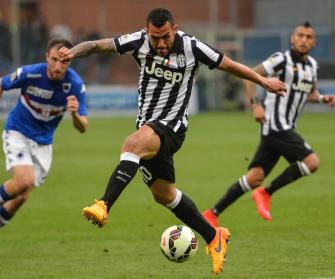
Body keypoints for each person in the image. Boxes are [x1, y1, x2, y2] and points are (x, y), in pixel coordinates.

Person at [58, 8, 286, 274]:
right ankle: (214, 236)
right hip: (148, 129)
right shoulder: (138, 41)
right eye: (155, 38)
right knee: (164, 195)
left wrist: (263, 81)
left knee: (131, 145)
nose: (161, 43)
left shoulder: (192, 46)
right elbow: (98, 45)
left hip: (172, 129)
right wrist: (73, 51)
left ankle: (103, 204)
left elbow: (230, 65)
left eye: (165, 36)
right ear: (147, 32)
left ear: (174, 29)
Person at [202, 22, 335, 227]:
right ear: (292, 38)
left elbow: (308, 93)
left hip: (284, 128)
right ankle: (266, 193)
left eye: (308, 37)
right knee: (312, 162)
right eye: (300, 35)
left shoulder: (312, 66)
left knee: (255, 177)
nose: (303, 39)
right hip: (275, 125)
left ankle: (212, 213)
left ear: (314, 42)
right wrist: (255, 105)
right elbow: (249, 77)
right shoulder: (280, 60)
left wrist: (322, 99)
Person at [0, 38, 88, 260]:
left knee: (22, 196)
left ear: (69, 61)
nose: (58, 66)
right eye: (54, 60)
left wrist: (74, 113)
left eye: (63, 62)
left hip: (43, 143)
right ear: (46, 58)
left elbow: (83, 127)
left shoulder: (75, 85)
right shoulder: (31, 73)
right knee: (24, 180)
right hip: (18, 132)